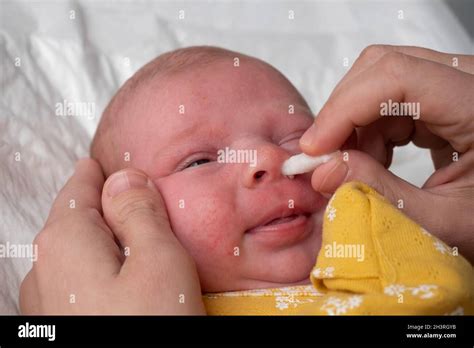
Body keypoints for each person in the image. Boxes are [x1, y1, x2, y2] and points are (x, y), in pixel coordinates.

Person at [20, 45, 474, 314]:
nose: (269, 158)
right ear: (121, 233)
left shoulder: (378, 224)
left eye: (297, 137)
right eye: (198, 162)